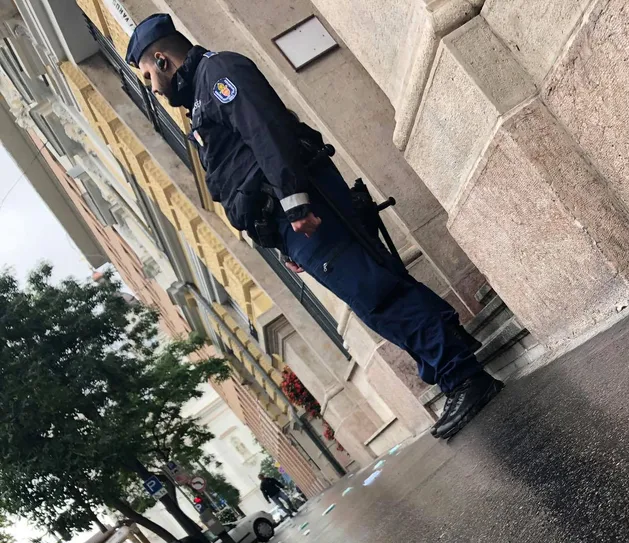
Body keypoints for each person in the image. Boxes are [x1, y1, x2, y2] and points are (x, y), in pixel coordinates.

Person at [125, 14, 501, 440]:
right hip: (290, 224)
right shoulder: (200, 97)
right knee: (372, 296)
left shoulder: (218, 72)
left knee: (376, 294)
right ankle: (456, 369)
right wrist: (280, 240)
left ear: (162, 59)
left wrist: (294, 204)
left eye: (148, 75)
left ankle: (463, 376)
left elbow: (266, 132)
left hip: (304, 210)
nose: (153, 87)